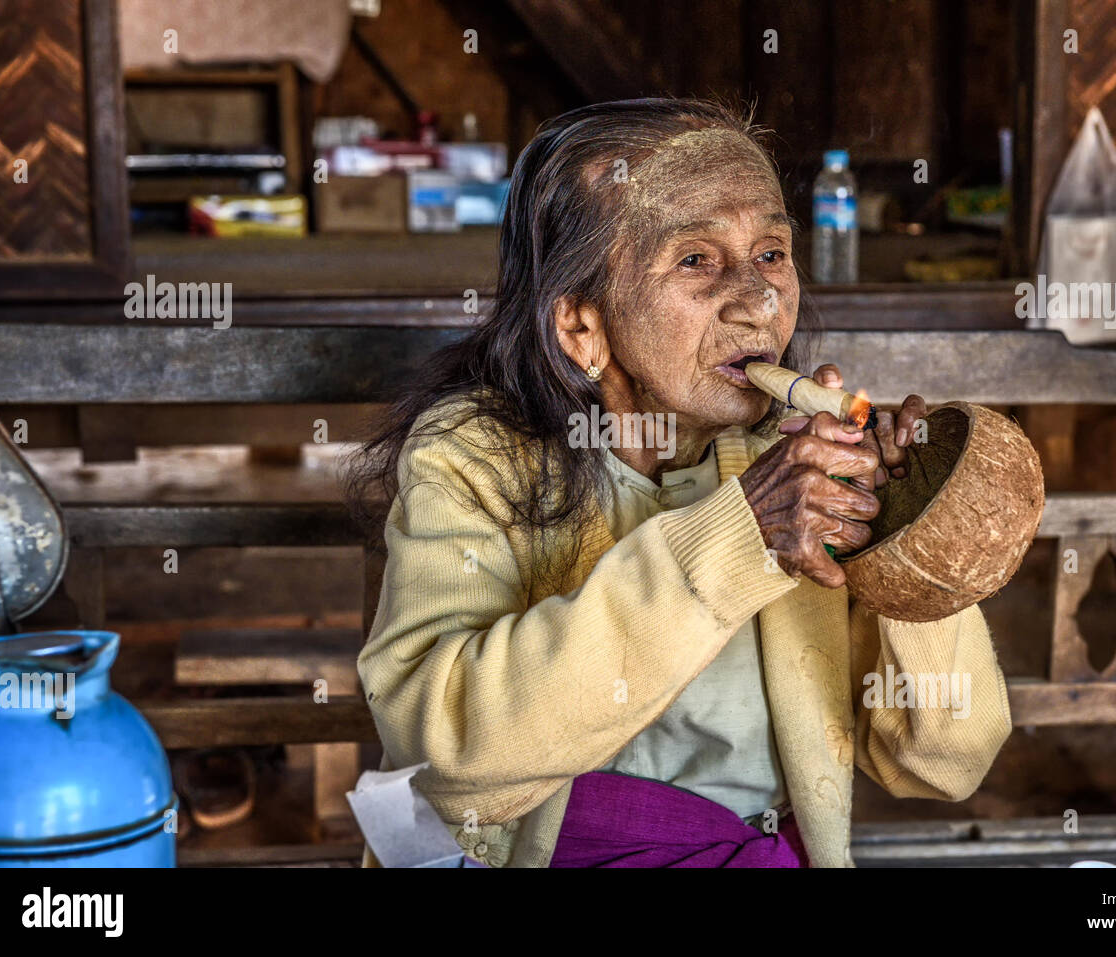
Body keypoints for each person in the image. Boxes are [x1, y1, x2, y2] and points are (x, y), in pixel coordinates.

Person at [348, 98, 1012, 868]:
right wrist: (742, 536)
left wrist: (907, 541)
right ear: (581, 325)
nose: (761, 300)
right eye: (696, 259)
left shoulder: (806, 464)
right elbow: (445, 753)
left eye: (771, 253)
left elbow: (945, 763)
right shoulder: (473, 455)